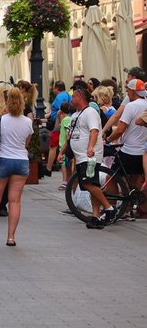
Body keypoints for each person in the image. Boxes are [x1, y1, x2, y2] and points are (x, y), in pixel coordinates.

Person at [0, 88, 34, 246]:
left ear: (7, 102)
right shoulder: (27, 122)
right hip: (21, 161)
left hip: (2, 159)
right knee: (15, 201)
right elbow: (26, 143)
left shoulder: (0, 120)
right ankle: (11, 238)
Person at [65, 88, 113, 228]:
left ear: (80, 97)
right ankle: (95, 217)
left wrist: (90, 147)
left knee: (88, 183)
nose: (71, 99)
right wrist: (63, 152)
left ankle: (109, 208)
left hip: (89, 156)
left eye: (73, 96)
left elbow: (94, 130)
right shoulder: (76, 115)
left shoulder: (90, 112)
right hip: (80, 157)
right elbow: (71, 135)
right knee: (93, 185)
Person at [105, 79, 147, 194]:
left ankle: (113, 208)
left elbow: (120, 130)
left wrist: (108, 140)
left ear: (133, 91)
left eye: (128, 90)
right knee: (136, 182)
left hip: (129, 151)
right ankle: (137, 207)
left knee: (110, 178)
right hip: (143, 153)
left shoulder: (131, 106)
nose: (127, 93)